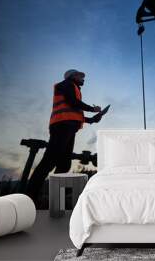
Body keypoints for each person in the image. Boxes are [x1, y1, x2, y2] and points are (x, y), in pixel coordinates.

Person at [26, 69, 101, 203]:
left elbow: (74, 111)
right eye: (80, 76)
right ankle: (29, 197)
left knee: (64, 164)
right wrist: (92, 109)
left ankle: (56, 199)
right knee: (49, 161)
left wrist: (92, 119)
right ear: (72, 76)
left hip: (68, 127)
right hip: (62, 126)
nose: (83, 79)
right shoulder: (66, 84)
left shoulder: (74, 88)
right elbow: (72, 102)